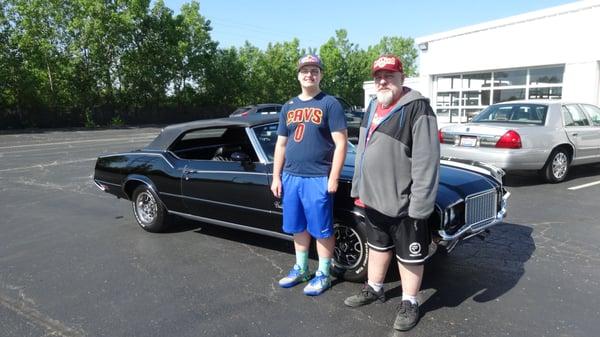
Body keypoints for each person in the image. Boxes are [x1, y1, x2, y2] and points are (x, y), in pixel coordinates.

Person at [344, 54, 440, 331]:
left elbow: (427, 160)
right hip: (373, 198)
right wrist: (359, 187)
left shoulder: (418, 109)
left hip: (405, 203)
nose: (383, 81)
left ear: (402, 77)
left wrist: (420, 206)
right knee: (377, 246)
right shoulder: (373, 106)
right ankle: (374, 287)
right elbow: (362, 150)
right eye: (378, 77)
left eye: (389, 76)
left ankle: (410, 301)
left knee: (409, 256)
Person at [271, 54, 348, 296]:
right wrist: (276, 176)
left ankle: (323, 272)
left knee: (322, 228)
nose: (309, 74)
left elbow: (341, 143)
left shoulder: (330, 103)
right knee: (297, 226)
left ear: (320, 75)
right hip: (291, 176)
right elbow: (281, 144)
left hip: (317, 177)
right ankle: (302, 268)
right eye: (305, 70)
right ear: (298, 75)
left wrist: (333, 176)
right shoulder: (288, 106)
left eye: (314, 70)